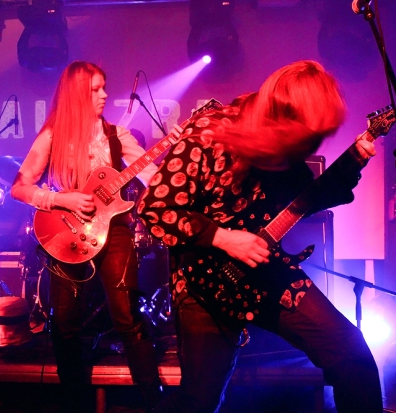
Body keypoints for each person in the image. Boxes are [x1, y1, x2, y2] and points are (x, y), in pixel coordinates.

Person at [138, 60, 383, 413]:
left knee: (352, 356)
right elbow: (155, 207)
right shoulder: (208, 134)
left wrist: (351, 165)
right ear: (283, 116)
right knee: (199, 401)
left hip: (266, 272)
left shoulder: (289, 150)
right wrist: (224, 238)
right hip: (203, 285)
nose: (309, 145)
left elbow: (305, 201)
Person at [11, 61, 163, 412]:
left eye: (104, 87)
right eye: (95, 89)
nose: (105, 94)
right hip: (66, 232)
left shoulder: (117, 136)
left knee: (127, 315)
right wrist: (60, 199)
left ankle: (155, 403)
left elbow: (154, 177)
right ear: (76, 94)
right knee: (65, 323)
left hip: (115, 229)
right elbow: (19, 187)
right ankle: (74, 403)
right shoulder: (52, 136)